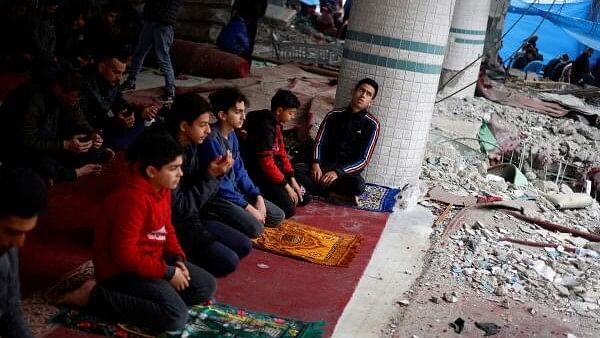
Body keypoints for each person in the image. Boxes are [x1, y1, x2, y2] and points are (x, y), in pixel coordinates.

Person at [57, 130, 216, 334]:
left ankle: (151, 294)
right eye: (173, 168)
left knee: (205, 286)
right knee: (175, 317)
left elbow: (167, 229)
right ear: (151, 171)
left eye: (180, 167)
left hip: (150, 262)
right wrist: (167, 273)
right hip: (121, 272)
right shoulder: (130, 199)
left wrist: (177, 259)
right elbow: (124, 257)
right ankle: (94, 295)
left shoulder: (163, 187)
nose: (181, 174)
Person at [167, 93, 251, 276]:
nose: (207, 130)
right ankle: (176, 262)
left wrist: (214, 174)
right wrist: (212, 176)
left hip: (195, 213)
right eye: (203, 125)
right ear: (184, 126)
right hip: (175, 222)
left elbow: (203, 184)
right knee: (227, 261)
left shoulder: (192, 144)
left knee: (244, 245)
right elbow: (180, 209)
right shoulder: (167, 157)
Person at [199, 87, 285, 238]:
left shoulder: (232, 135)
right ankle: (215, 218)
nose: (243, 117)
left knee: (278, 215)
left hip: (236, 192)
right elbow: (220, 185)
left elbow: (240, 171)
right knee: (256, 228)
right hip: (219, 196)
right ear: (222, 115)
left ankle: (240, 215)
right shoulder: (211, 140)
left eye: (243, 111)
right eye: (238, 112)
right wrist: (248, 208)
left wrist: (257, 196)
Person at [0, 69, 106, 183]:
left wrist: (92, 134)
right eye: (72, 99)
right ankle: (74, 172)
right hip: (19, 147)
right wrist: (64, 145)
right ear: (58, 89)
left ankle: (54, 171)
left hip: (51, 141)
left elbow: (79, 120)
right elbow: (26, 141)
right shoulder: (31, 99)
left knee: (95, 149)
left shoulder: (69, 97)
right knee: (42, 164)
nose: (74, 103)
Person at [295, 78, 380, 202]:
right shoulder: (333, 115)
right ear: (353, 92)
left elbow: (364, 159)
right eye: (361, 90)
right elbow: (319, 142)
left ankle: (320, 190)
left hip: (345, 174)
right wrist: (316, 163)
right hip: (322, 167)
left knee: (358, 186)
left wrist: (337, 172)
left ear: (371, 102)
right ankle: (333, 194)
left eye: (368, 94)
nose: (363, 95)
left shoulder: (372, 124)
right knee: (292, 170)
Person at [242, 89, 310, 218]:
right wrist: (286, 186)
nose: (293, 117)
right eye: (291, 113)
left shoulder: (277, 125)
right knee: (289, 209)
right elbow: (266, 163)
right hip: (261, 173)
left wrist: (292, 178)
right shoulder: (265, 127)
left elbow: (282, 152)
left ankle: (281, 190)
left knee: (304, 197)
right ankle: (258, 196)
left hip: (275, 169)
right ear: (279, 111)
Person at [0, 166, 48, 338]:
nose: (19, 243)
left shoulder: (6, 251)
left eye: (25, 232)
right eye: (12, 231)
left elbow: (10, 312)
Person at [81, 45, 158, 150]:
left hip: (104, 125)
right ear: (102, 67)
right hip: (88, 129)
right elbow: (81, 119)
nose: (120, 77)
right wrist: (117, 121)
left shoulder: (112, 82)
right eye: (116, 72)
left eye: (122, 73)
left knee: (140, 119)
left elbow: (118, 101)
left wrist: (131, 114)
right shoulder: (83, 83)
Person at [121, 0, 182, 101]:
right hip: (152, 21)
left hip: (163, 23)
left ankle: (170, 91)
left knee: (163, 58)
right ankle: (130, 82)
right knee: (139, 54)